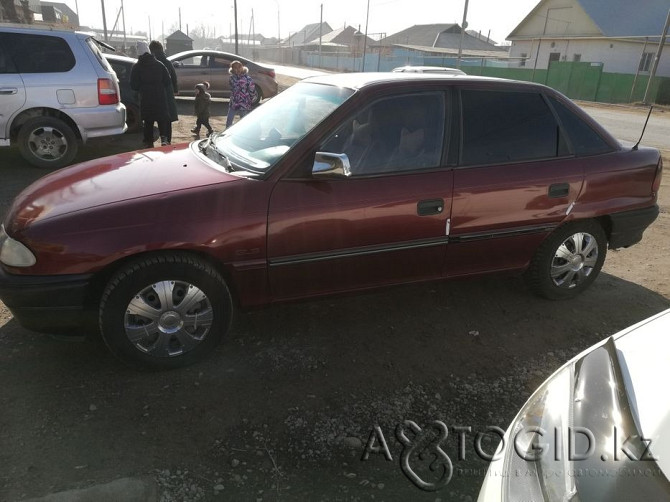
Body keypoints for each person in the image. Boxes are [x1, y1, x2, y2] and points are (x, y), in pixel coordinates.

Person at [130, 41, 171, 147]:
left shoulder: (137, 67)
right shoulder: (159, 65)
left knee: (148, 121)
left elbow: (133, 85)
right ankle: (164, 140)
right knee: (162, 119)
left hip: (146, 98)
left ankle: (148, 142)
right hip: (160, 97)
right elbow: (167, 81)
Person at [149, 40, 179, 144]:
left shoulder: (150, 61)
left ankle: (155, 140)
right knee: (167, 119)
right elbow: (173, 77)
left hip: (154, 94)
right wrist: (175, 90)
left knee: (156, 118)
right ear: (161, 49)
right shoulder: (167, 62)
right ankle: (167, 141)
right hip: (167, 93)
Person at [226, 60, 255, 128]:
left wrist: (250, 100)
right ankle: (227, 133)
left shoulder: (247, 78)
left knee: (243, 120)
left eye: (239, 67)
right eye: (235, 67)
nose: (238, 69)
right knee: (229, 119)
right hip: (234, 102)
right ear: (232, 69)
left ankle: (243, 134)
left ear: (242, 67)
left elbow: (252, 90)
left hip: (244, 102)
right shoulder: (232, 78)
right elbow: (232, 88)